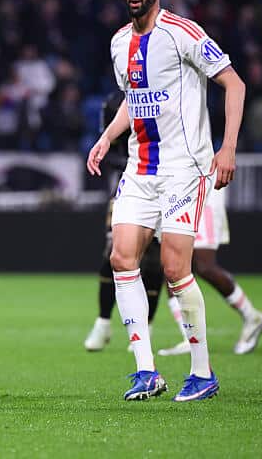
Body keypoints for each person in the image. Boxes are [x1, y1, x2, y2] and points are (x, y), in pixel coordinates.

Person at [87, 0, 245, 402]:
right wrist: (105, 139)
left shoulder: (183, 33)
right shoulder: (119, 43)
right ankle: (147, 371)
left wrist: (227, 146)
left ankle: (202, 373)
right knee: (122, 259)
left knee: (176, 268)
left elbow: (234, 84)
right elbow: (131, 100)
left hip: (183, 169)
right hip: (139, 169)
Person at [84, 91, 164, 351]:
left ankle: (146, 327)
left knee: (154, 260)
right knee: (113, 254)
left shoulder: (164, 93)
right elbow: (111, 149)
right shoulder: (111, 102)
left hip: (163, 182)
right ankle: (103, 322)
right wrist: (132, 162)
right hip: (129, 182)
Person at [156, 185, 262, 356]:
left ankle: (252, 316)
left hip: (203, 190)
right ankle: (189, 337)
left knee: (204, 265)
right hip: (176, 190)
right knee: (172, 266)